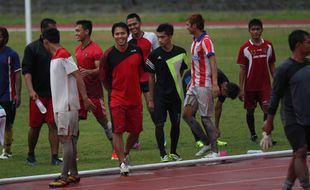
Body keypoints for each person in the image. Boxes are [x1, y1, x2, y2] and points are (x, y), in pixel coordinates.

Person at [42, 28, 95, 188]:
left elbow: (77, 75)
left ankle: (64, 176)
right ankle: (73, 174)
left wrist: (85, 98)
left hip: (66, 105)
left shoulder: (63, 54)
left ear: (46, 41)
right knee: (70, 139)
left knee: (66, 140)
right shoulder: (57, 56)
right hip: (63, 105)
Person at [261, 30, 310, 190]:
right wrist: (269, 122)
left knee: (298, 152)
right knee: (301, 150)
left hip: (307, 116)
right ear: (298, 45)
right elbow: (275, 96)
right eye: (308, 42)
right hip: (291, 118)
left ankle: (286, 186)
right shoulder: (285, 69)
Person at [99, 22, 145, 176]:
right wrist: (112, 91)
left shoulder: (137, 51)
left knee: (136, 131)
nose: (120, 36)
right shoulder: (108, 55)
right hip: (117, 99)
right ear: (113, 36)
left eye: (123, 33)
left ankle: (125, 152)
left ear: (128, 34)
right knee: (117, 131)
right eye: (117, 34)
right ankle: (122, 163)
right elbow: (104, 78)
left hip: (135, 99)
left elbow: (141, 73)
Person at [22, 18, 62, 165]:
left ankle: (54, 157)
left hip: (54, 94)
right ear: (42, 30)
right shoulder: (32, 48)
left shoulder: (58, 48)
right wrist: (31, 91)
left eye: (55, 29)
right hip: (38, 95)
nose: (54, 32)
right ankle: (30, 154)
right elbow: (27, 72)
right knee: (35, 126)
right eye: (51, 29)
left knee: (53, 124)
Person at [75, 20, 117, 160]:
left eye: (78, 31)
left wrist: (89, 72)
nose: (76, 34)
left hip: (94, 94)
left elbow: (101, 70)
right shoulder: (77, 49)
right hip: (80, 94)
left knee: (104, 122)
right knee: (74, 122)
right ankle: (73, 154)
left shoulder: (96, 50)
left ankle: (116, 151)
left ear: (86, 31)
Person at [146, 23, 188, 162]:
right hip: (159, 96)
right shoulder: (154, 55)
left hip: (175, 95)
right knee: (159, 124)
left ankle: (174, 152)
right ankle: (163, 154)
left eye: (163, 37)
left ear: (170, 36)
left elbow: (181, 72)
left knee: (176, 124)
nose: (160, 40)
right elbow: (151, 77)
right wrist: (151, 99)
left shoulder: (181, 52)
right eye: (158, 37)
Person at [183, 13, 220, 158]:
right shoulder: (194, 41)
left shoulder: (206, 40)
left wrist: (215, 84)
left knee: (205, 118)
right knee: (186, 115)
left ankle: (215, 151)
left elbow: (213, 62)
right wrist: (192, 80)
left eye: (188, 25)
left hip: (204, 85)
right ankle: (206, 143)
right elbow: (196, 63)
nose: (186, 27)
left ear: (195, 26)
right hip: (195, 84)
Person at [237, 18, 276, 142]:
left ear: (262, 30)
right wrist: (241, 89)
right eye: (253, 29)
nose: (255, 32)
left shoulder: (268, 46)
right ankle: (253, 134)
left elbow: (272, 65)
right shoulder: (245, 48)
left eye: (258, 29)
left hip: (265, 86)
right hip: (250, 87)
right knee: (250, 112)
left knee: (268, 109)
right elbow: (242, 70)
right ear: (249, 31)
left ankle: (266, 134)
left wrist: (276, 81)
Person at [126, 13, 159, 150]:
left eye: (134, 24)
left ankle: (160, 135)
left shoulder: (151, 37)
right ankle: (135, 141)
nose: (133, 27)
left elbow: (158, 56)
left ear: (140, 23)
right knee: (134, 110)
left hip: (148, 78)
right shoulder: (127, 40)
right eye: (130, 25)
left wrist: (158, 75)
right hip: (134, 80)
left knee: (152, 108)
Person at [182, 69, 240, 148]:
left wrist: (217, 127)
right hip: (190, 78)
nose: (223, 96)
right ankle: (198, 140)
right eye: (225, 95)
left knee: (206, 113)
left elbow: (218, 108)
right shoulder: (216, 76)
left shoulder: (226, 87)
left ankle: (212, 139)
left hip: (203, 85)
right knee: (190, 113)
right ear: (224, 89)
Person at [0, 26, 21, 159]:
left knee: (7, 123)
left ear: (5, 38)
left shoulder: (12, 54)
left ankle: (7, 150)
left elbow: (18, 75)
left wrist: (17, 94)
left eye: (0, 36)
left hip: (7, 94)